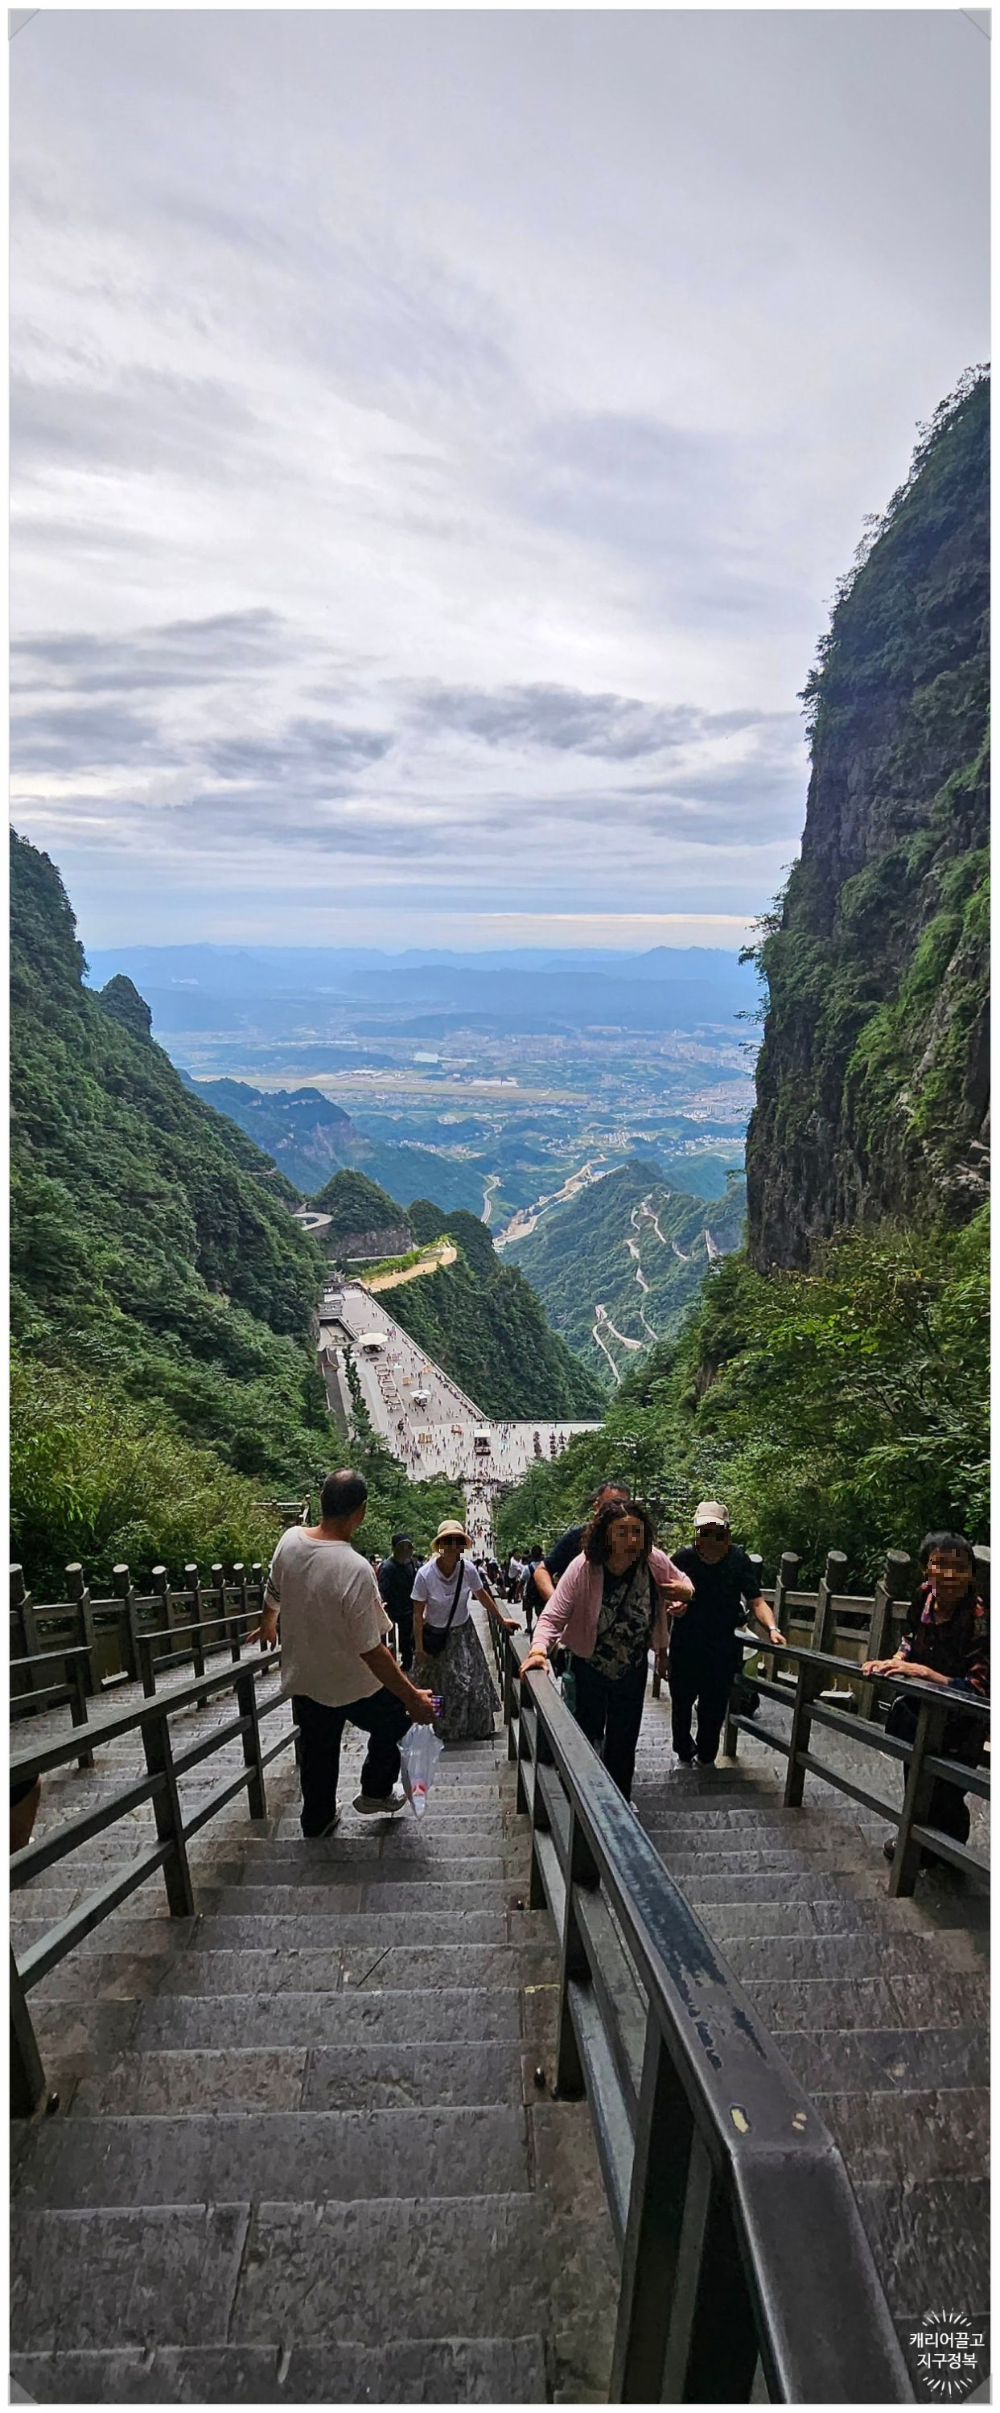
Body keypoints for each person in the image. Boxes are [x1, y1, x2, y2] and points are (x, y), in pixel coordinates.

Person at [251, 1468, 436, 1835]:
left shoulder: (289, 1541)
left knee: (318, 1750)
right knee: (399, 1718)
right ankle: (376, 1791)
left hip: (306, 1678)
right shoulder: (355, 1568)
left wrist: (269, 1622)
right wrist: (412, 1695)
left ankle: (317, 1820)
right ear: (361, 1510)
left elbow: (273, 1592)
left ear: (322, 1500)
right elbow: (372, 1649)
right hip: (354, 1683)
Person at [521, 1500, 692, 1798]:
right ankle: (582, 1801)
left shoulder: (652, 1560)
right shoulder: (584, 1567)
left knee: (624, 1740)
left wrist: (684, 1594)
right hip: (589, 1665)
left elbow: (683, 1582)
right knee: (586, 1737)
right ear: (606, 1535)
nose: (631, 1540)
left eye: (637, 1532)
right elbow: (552, 1616)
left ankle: (620, 1803)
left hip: (632, 1665)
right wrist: (538, 1651)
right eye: (622, 1532)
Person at [863, 1532, 989, 1864]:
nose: (949, 1575)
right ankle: (918, 1842)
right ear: (925, 1569)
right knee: (916, 1778)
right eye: (940, 1565)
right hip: (920, 1712)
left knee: (947, 1791)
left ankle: (944, 1852)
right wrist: (895, 1661)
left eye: (959, 1567)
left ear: (971, 1574)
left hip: (962, 1722)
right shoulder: (923, 1597)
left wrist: (926, 1673)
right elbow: (910, 1638)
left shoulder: (980, 1620)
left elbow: (978, 1689)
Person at [669, 1502, 784, 1768]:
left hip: (722, 1647)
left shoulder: (738, 1560)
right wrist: (663, 1640)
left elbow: (756, 1600)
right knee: (682, 1704)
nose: (709, 1538)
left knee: (714, 1708)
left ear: (726, 1532)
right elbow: (663, 1593)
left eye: (715, 1532)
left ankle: (706, 1756)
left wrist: (772, 1629)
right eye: (704, 1532)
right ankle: (683, 1749)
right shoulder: (683, 1559)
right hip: (686, 1645)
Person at [412, 1520, 515, 1742]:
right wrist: (419, 1648)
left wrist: (501, 1619)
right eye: (448, 1541)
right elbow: (417, 1614)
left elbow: (482, 1595)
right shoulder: (425, 1574)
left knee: (472, 1682)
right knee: (440, 1686)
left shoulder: (468, 1569)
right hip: (436, 1637)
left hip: (464, 1633)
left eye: (457, 1542)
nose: (453, 1547)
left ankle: (475, 1727)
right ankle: (442, 1729)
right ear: (440, 1545)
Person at [524, 1478, 633, 1628]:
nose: (616, 1512)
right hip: (579, 1627)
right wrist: (557, 1604)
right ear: (597, 1506)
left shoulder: (636, 1542)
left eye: (623, 1506)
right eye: (610, 1506)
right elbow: (542, 1571)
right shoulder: (578, 1538)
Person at [377, 1533, 418, 1672]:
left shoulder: (411, 1563)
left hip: (410, 1607)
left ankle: (409, 1662)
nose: (406, 1550)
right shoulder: (387, 1567)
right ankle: (404, 1665)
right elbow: (382, 1589)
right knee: (401, 1638)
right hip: (395, 1609)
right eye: (402, 1547)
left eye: (408, 1546)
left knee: (410, 1637)